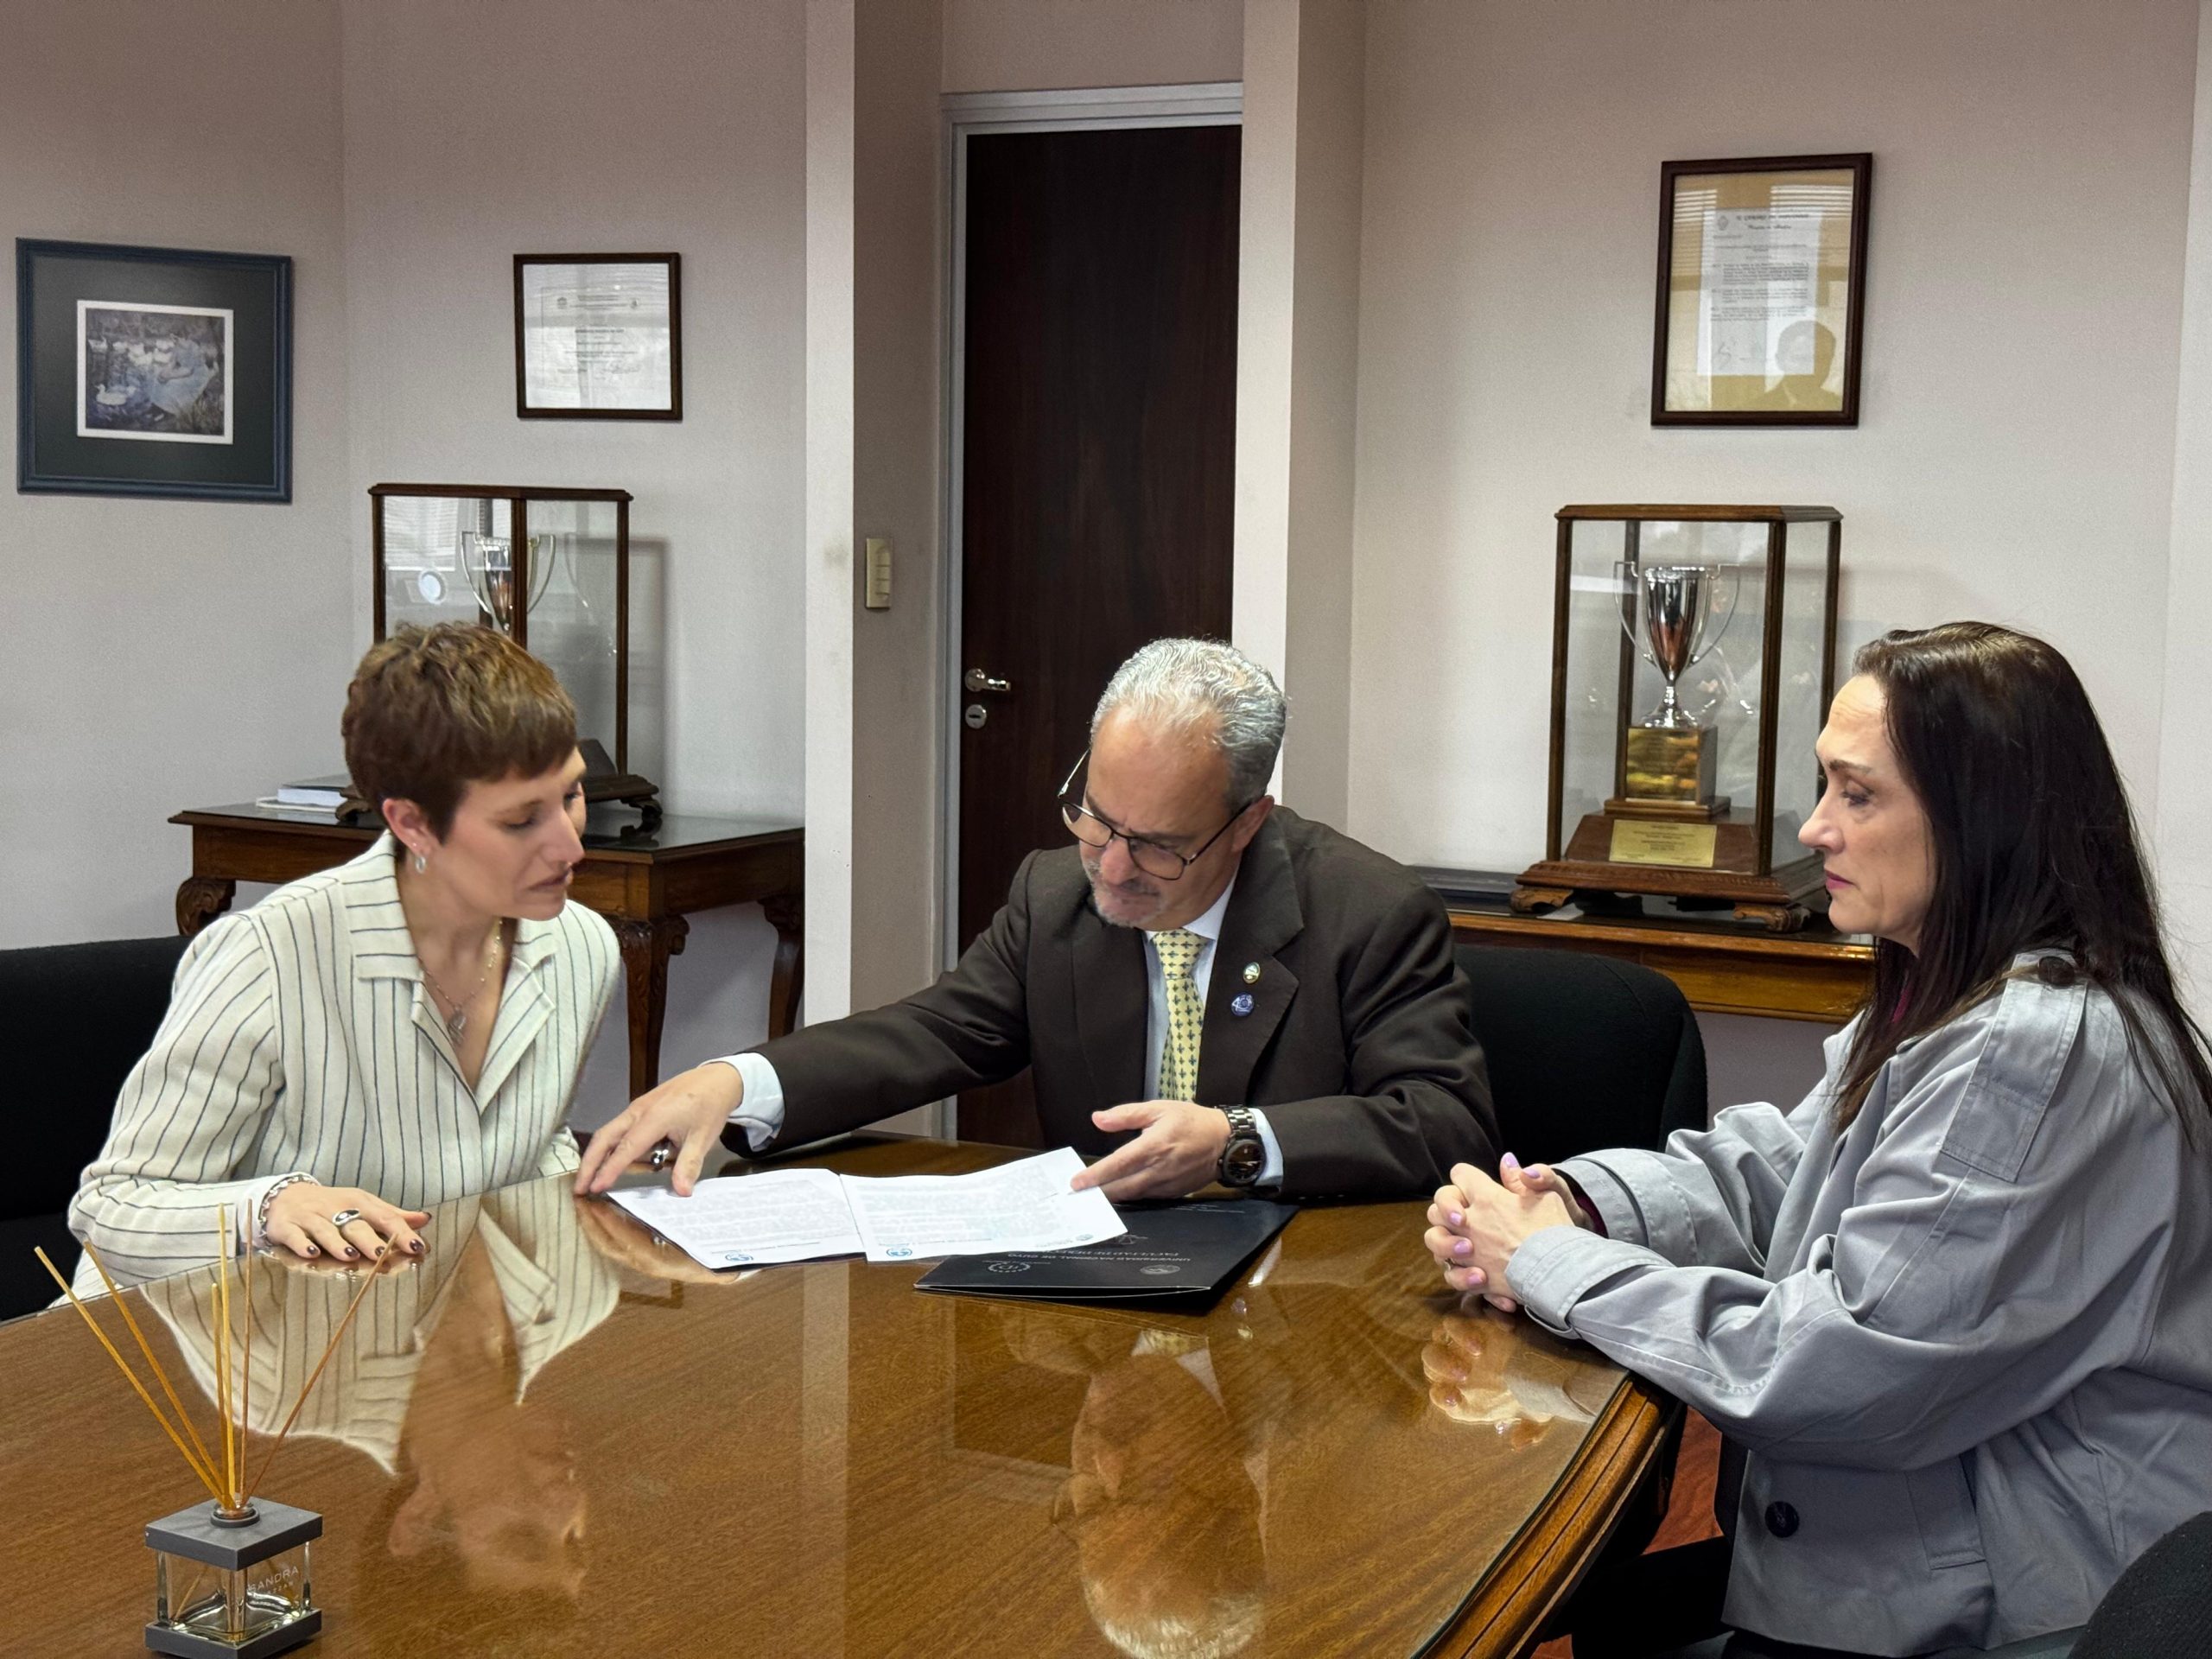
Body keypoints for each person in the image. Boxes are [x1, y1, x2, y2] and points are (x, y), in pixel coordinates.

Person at [1424, 622, 2212, 1657]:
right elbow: (1786, 1171)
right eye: (1823, 787)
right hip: (1931, 1541)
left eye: (1857, 794)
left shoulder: (2028, 1049)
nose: (1813, 829)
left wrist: (1549, 1263)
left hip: (2011, 1609)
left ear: (1980, 818)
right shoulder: (1953, 992)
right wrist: (1581, 1203)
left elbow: (1833, 1370)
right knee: (1611, 1613)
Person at [579, 637, 1496, 1203]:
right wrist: (736, 1080)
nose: (1112, 868)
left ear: (1250, 822)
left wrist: (1238, 1142)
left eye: (1159, 846)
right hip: (1102, 1291)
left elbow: (1444, 1121)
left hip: (1301, 1302)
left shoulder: (1369, 913)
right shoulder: (1054, 894)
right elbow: (936, 1032)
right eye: (1096, 818)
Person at [71, 623, 620, 1287]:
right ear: (412, 823)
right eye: (521, 820)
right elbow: (112, 1210)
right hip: (191, 1336)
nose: (570, 846)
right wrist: (268, 1208)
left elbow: (529, 1147)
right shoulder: (270, 956)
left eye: (572, 795)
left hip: (414, 1324)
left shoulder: (584, 946)